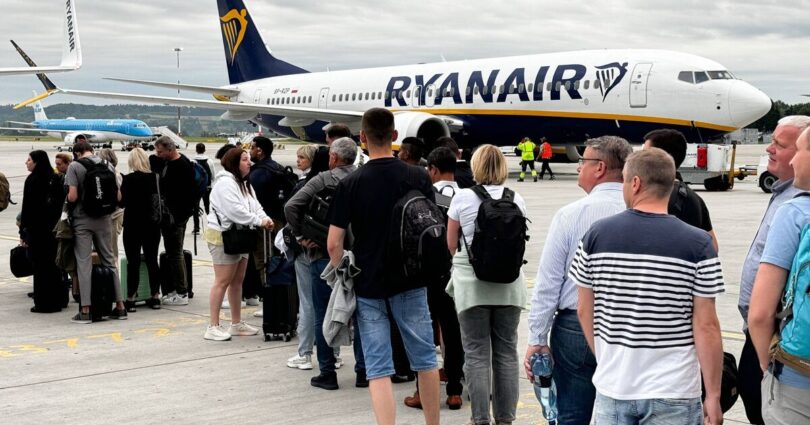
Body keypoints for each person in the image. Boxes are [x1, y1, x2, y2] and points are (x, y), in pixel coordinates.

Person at [572, 148, 724, 425]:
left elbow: (583, 309)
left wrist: (608, 359)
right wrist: (713, 394)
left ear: (635, 183)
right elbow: (707, 325)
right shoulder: (699, 244)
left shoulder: (596, 236)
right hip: (674, 389)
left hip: (613, 387)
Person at [327, 108, 440, 425]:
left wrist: (342, 274)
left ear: (361, 137)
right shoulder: (418, 176)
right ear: (394, 136)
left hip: (369, 282)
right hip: (411, 279)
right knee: (425, 360)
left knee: (378, 368)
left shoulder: (351, 182)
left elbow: (334, 243)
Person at [524, 136, 632, 424]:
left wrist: (537, 339)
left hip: (575, 328)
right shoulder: (640, 214)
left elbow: (549, 283)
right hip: (629, 326)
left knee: (572, 413)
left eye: (582, 161)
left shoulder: (571, 215)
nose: (577, 167)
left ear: (599, 168)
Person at [446, 144, 528, 425]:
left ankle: (479, 418)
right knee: (506, 352)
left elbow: (451, 243)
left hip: (472, 286)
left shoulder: (462, 198)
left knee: (476, 352)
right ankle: (505, 419)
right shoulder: (517, 198)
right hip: (509, 284)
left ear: (475, 167)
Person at [737, 115, 810, 424]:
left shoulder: (795, 209)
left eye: (782, 145)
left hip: (782, 348)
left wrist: (768, 365)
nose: (770, 149)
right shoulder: (784, 193)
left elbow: (760, 313)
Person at [284, 137, 366, 389]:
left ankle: (327, 371)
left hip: (324, 255)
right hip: (360, 257)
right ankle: (363, 371)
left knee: (323, 313)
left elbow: (291, 206)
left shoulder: (322, 180)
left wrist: (301, 235)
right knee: (362, 315)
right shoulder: (363, 178)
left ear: (334, 157)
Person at [404, 146, 465, 410]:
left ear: (433, 169)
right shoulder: (468, 195)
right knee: (453, 331)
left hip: (428, 273)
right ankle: (454, 390)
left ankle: (423, 391)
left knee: (425, 331)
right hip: (458, 272)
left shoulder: (426, 197)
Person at [203, 148, 273, 341]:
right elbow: (234, 211)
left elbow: (255, 205)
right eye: (244, 159)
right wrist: (259, 221)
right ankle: (213, 326)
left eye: (249, 159)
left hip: (240, 235)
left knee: (237, 281)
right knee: (222, 281)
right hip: (224, 235)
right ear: (234, 163)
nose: (249, 163)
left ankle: (236, 323)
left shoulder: (244, 183)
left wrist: (265, 217)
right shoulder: (225, 184)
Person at [66, 141, 127, 323]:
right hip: (105, 218)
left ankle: (85, 310)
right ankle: (120, 306)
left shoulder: (74, 166)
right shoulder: (108, 165)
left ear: (77, 153)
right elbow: (118, 196)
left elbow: (73, 196)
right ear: (92, 150)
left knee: (83, 263)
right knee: (109, 260)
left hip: (83, 220)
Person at [285, 144, 330, 370]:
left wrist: (299, 236)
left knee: (308, 302)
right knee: (332, 303)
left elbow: (290, 207)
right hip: (334, 249)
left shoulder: (308, 184)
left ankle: (305, 353)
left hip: (309, 250)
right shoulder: (342, 182)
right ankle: (333, 353)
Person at [643, 129, 719, 251]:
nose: (639, 159)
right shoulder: (695, 199)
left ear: (662, 158)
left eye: (645, 154)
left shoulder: (656, 196)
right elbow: (713, 247)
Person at [152, 136, 196, 306]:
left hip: (175, 217)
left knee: (175, 253)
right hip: (176, 216)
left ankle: (182, 292)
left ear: (170, 150)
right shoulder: (176, 162)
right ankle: (179, 290)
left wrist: (175, 215)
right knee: (173, 253)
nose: (158, 155)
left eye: (160, 152)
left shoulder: (180, 166)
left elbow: (180, 194)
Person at [20, 150, 64, 313]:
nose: (26, 162)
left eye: (29, 160)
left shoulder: (32, 180)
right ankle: (58, 300)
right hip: (53, 229)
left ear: (37, 162)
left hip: (37, 230)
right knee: (54, 265)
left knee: (39, 266)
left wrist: (23, 231)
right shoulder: (55, 178)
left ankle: (43, 302)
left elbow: (27, 208)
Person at [120, 147, 161, 312]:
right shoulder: (155, 178)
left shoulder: (127, 180)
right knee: (152, 260)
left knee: (133, 262)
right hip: (152, 225)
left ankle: (131, 298)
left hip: (132, 224)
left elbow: (121, 203)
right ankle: (155, 296)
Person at [98, 148, 124, 269]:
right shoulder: (117, 174)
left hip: (113, 214)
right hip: (115, 213)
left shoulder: (114, 175)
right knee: (110, 247)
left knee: (111, 249)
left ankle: (113, 274)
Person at [192, 143, 214, 234]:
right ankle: (210, 226)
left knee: (195, 208)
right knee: (208, 207)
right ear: (204, 150)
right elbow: (213, 176)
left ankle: (196, 228)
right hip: (207, 188)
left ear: (196, 150)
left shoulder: (193, 161)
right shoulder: (210, 161)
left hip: (196, 189)